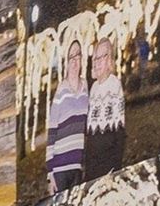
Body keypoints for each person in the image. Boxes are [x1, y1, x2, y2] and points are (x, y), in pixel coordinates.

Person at [45, 35, 91, 193]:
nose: (74, 60)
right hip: (60, 168)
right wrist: (50, 173)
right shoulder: (61, 90)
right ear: (66, 61)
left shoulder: (86, 87)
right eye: (71, 56)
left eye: (77, 55)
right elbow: (51, 132)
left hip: (78, 165)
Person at [85, 34, 127, 182]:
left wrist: (115, 168)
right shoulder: (94, 88)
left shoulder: (114, 85)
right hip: (92, 160)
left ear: (109, 60)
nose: (96, 62)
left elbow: (120, 133)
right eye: (95, 58)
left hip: (107, 160)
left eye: (101, 57)